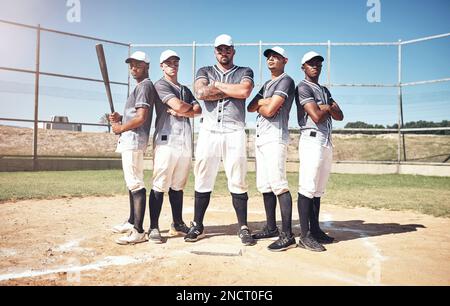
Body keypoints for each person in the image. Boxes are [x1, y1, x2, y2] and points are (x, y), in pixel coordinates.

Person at [184, 34, 256, 246]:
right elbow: (201, 92)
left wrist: (217, 86)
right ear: (215, 51)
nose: (223, 53)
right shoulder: (204, 70)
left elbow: (244, 91)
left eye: (227, 49)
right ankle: (197, 224)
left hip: (234, 130)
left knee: (238, 177)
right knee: (203, 176)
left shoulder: (245, 71)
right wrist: (227, 90)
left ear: (233, 51)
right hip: (209, 129)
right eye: (219, 49)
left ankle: (243, 226)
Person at [148, 50, 202, 243]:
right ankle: (153, 227)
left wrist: (183, 110)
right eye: (168, 62)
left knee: (178, 185)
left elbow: (198, 110)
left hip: (184, 141)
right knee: (159, 183)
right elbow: (179, 106)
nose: (173, 65)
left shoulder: (185, 89)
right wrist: (184, 108)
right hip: (166, 139)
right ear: (162, 66)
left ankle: (177, 224)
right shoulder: (160, 84)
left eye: (175, 62)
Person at [247, 46, 296, 252]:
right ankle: (271, 227)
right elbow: (250, 106)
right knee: (264, 185)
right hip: (261, 138)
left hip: (275, 136)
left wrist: (263, 102)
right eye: (268, 57)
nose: (271, 60)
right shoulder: (267, 83)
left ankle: (287, 235)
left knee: (278, 184)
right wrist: (263, 101)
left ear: (284, 60)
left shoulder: (286, 80)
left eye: (276, 57)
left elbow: (268, 111)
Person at [295, 51, 344, 252]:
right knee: (307, 186)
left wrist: (326, 107)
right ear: (303, 67)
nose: (315, 66)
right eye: (310, 63)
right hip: (311, 139)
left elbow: (340, 115)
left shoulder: (324, 90)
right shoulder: (303, 86)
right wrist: (327, 107)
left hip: (326, 141)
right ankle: (304, 236)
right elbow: (315, 115)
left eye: (318, 63)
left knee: (318, 189)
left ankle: (315, 230)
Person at [110, 51, 157, 245]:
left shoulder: (145, 86)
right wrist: (121, 118)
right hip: (131, 139)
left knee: (135, 183)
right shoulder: (140, 87)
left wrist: (120, 127)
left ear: (147, 66)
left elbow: (141, 118)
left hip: (134, 140)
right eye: (131, 65)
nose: (133, 68)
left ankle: (138, 231)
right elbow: (134, 115)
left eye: (138, 64)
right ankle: (131, 222)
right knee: (132, 183)